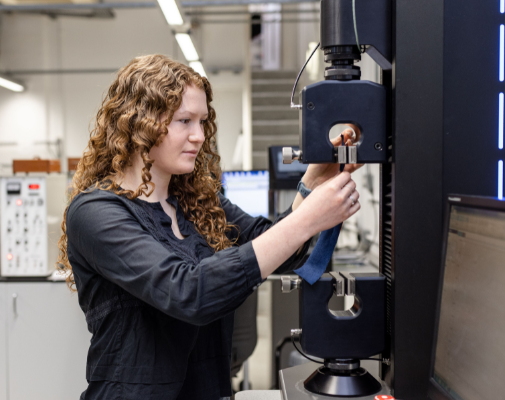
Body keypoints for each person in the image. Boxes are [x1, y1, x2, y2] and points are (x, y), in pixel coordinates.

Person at [57, 54, 362, 400]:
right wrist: (308, 219)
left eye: (202, 121)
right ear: (139, 122)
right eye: (184, 121)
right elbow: (188, 292)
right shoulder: (96, 212)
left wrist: (310, 185)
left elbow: (276, 248)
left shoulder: (197, 200)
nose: (199, 135)